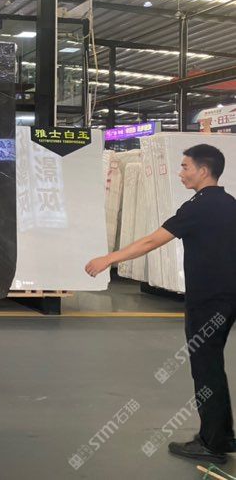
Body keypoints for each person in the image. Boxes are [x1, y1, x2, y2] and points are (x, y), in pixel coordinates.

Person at [85, 144, 236, 464]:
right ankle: (221, 435)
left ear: (203, 171)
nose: (181, 173)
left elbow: (152, 240)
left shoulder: (197, 207)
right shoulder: (229, 203)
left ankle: (212, 444)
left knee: (206, 368)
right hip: (228, 296)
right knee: (212, 366)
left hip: (207, 300)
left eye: (185, 167)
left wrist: (108, 258)